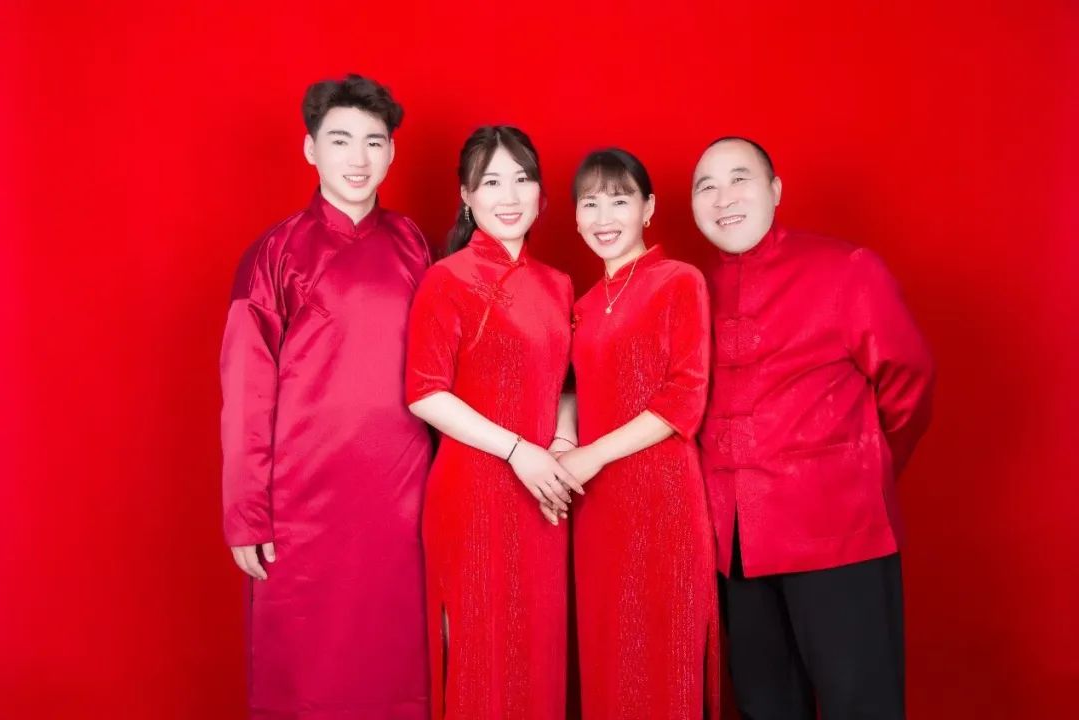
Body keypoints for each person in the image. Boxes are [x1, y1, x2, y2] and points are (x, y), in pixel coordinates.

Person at [693, 136, 936, 719]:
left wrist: (861, 468)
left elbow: (909, 381)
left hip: (839, 533)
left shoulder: (846, 269)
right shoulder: (691, 289)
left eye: (740, 179)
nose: (724, 198)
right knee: (764, 707)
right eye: (706, 187)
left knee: (862, 705)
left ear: (775, 190)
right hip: (736, 550)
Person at [220, 74, 431, 719]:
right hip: (303, 506)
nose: (358, 158)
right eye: (340, 140)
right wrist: (245, 512)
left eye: (374, 141)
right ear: (310, 148)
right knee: (306, 674)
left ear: (392, 152)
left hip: (403, 502)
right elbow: (245, 392)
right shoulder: (275, 252)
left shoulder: (414, 244)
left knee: (398, 665)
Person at [405, 125, 580, 720]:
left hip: (545, 494)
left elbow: (568, 383)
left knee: (538, 654)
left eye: (522, 179)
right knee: (480, 660)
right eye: (491, 182)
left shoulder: (559, 285)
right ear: (466, 195)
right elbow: (425, 394)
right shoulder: (446, 279)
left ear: (540, 193)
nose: (509, 196)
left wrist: (561, 441)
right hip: (472, 494)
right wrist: (517, 451)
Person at [561, 148, 719, 720]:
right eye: (590, 203)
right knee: (609, 658)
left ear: (648, 208)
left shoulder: (679, 281)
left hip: (665, 500)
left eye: (620, 200)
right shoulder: (580, 306)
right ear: (575, 217)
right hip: (598, 509)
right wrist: (564, 444)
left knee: (664, 658)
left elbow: (684, 399)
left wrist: (590, 456)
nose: (604, 218)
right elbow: (568, 388)